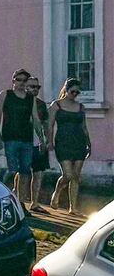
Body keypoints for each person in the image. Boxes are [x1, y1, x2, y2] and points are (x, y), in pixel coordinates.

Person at [49, 78, 91, 215]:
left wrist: (89, 143)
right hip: (63, 142)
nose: (75, 94)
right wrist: (49, 141)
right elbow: (50, 125)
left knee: (76, 176)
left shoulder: (80, 107)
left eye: (77, 92)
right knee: (67, 174)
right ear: (66, 90)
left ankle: (73, 208)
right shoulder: (56, 105)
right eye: (73, 91)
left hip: (79, 142)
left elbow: (84, 127)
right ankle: (57, 192)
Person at [0, 68, 35, 204]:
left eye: (24, 80)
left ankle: (21, 201)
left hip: (27, 138)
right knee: (12, 170)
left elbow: (35, 118)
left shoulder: (30, 98)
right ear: (13, 80)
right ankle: (2, 192)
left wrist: (42, 138)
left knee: (25, 171)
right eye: (19, 80)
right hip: (10, 137)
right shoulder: (6, 95)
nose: (21, 83)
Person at [26, 77, 50, 212]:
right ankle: (20, 198)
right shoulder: (20, 103)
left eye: (37, 87)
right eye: (31, 86)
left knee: (38, 172)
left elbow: (45, 123)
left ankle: (34, 202)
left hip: (38, 141)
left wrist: (46, 139)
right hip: (24, 141)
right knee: (23, 172)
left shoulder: (41, 104)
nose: (35, 89)